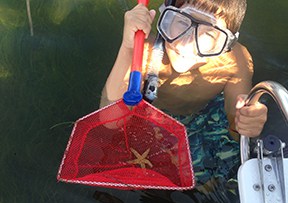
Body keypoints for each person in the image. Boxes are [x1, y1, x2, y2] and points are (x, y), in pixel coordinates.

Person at [100, 0, 267, 184]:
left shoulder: (235, 62)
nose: (186, 44)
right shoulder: (145, 52)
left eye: (209, 33)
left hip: (207, 114)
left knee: (224, 178)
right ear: (166, 17)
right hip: (154, 119)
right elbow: (110, 121)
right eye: (181, 21)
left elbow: (236, 131)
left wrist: (248, 122)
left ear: (226, 43)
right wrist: (128, 48)